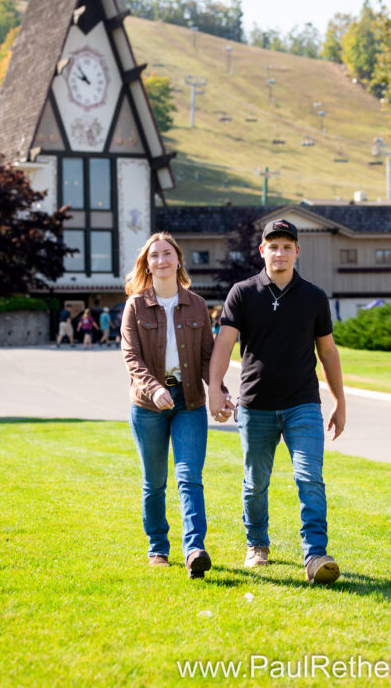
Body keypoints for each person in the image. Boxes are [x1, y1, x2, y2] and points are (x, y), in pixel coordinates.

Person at [208, 218, 346, 585]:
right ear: (262, 251)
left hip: (303, 403)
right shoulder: (243, 293)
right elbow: (224, 342)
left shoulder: (314, 297)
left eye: (287, 246)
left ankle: (316, 556)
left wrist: (340, 401)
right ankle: (257, 545)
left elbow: (328, 352)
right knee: (255, 482)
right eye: (274, 246)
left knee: (310, 478)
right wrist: (214, 386)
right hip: (255, 404)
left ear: (297, 251)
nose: (280, 252)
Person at [121, 232, 230, 578]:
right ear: (147, 264)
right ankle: (157, 548)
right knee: (154, 482)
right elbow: (131, 357)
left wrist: (219, 391)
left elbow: (206, 358)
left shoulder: (196, 305)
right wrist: (153, 390)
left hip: (189, 403)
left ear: (178, 260)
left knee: (190, 478)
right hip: (147, 405)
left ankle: (194, 549)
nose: (162, 260)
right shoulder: (136, 305)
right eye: (155, 256)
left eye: (168, 254)